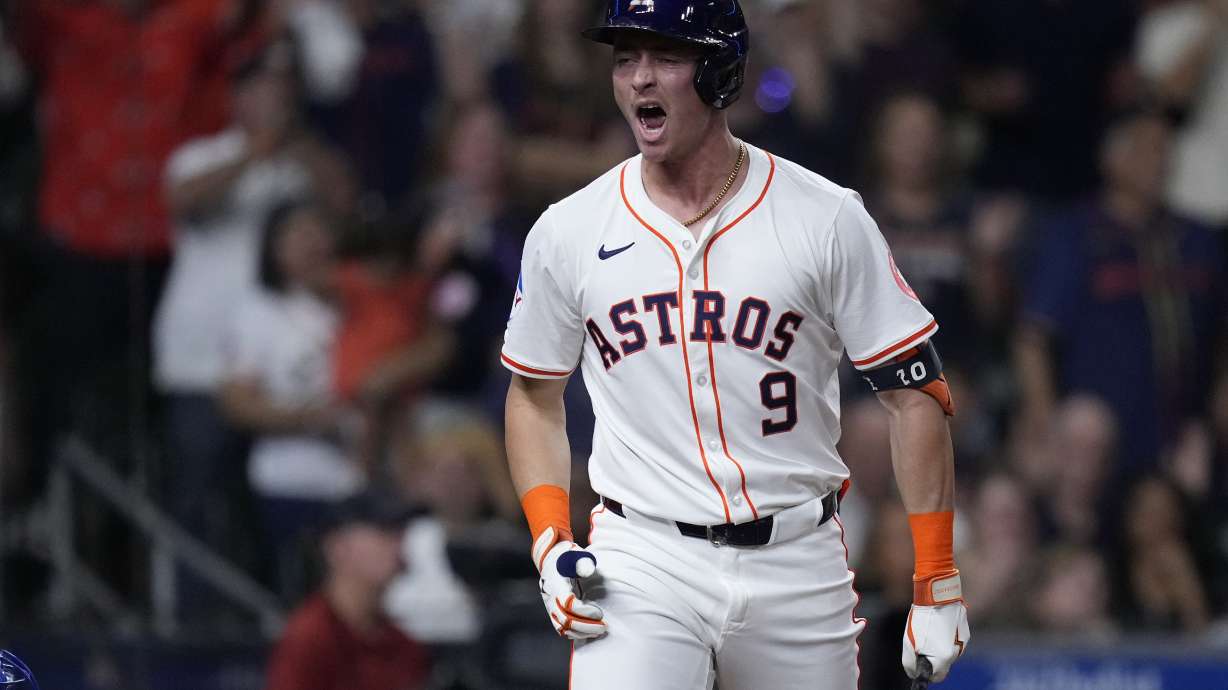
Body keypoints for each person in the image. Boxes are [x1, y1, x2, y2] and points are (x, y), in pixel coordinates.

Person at [501, 2, 969, 687]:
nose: (638, 79)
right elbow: (533, 396)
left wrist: (936, 577)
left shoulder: (824, 216)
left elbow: (914, 394)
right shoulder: (568, 230)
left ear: (721, 72)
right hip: (643, 557)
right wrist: (550, 539)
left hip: (797, 561)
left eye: (664, 56)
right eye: (625, 58)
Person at [219, 200, 362, 600]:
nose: (312, 243)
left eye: (319, 231)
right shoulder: (259, 311)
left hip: (355, 479)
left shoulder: (353, 304)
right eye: (298, 234)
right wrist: (312, 419)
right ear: (273, 248)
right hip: (287, 480)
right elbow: (235, 403)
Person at [265, 488, 431, 690]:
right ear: (338, 546)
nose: (398, 544)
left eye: (401, 532)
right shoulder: (310, 639)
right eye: (384, 531)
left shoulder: (403, 646)